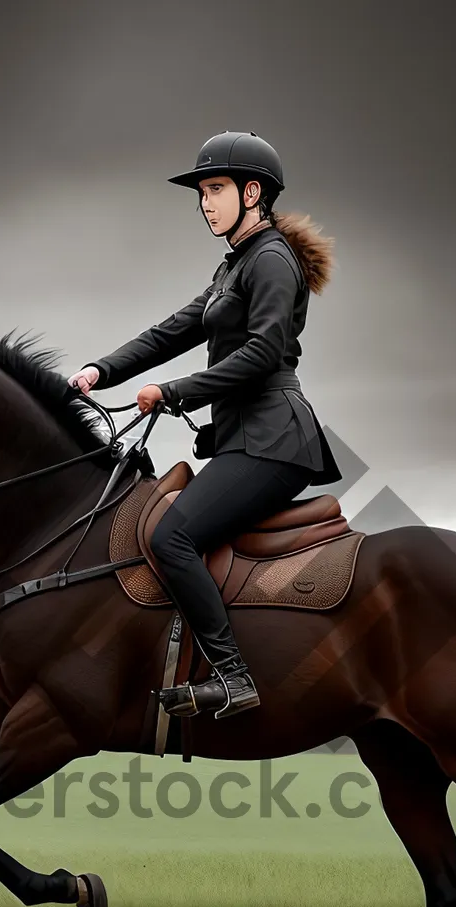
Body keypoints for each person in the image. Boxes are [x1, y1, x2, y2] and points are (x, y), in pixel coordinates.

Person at [69, 131, 341, 719]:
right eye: (201, 193)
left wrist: (172, 391)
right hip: (247, 439)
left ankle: (234, 677)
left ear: (252, 192)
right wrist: (101, 370)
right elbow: (172, 330)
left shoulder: (270, 259)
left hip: (274, 439)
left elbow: (264, 353)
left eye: (215, 189)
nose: (204, 202)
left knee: (171, 536)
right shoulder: (235, 266)